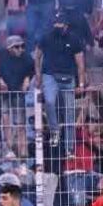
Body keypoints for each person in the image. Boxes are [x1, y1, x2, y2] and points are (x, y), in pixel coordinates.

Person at [35, 11, 86, 155]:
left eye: (61, 24)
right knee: (50, 102)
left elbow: (80, 63)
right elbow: (37, 56)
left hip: (68, 77)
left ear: (66, 25)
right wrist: (38, 75)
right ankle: (55, 132)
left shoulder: (75, 39)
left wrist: (81, 83)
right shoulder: (46, 37)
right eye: (56, 24)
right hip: (49, 75)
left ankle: (69, 147)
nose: (58, 27)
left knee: (70, 112)